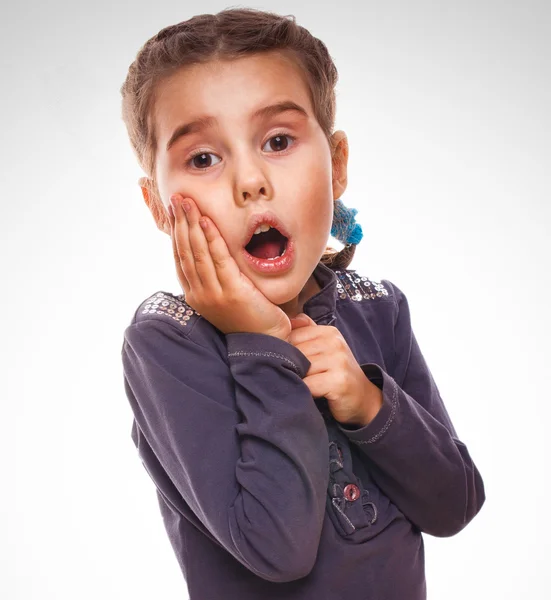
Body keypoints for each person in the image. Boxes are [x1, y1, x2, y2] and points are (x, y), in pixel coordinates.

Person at [120, 8, 485, 600]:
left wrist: (367, 401)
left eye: (279, 141)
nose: (250, 182)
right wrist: (262, 343)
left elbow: (455, 504)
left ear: (336, 165)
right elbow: (277, 549)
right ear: (159, 206)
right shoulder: (167, 342)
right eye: (204, 158)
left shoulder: (378, 307)